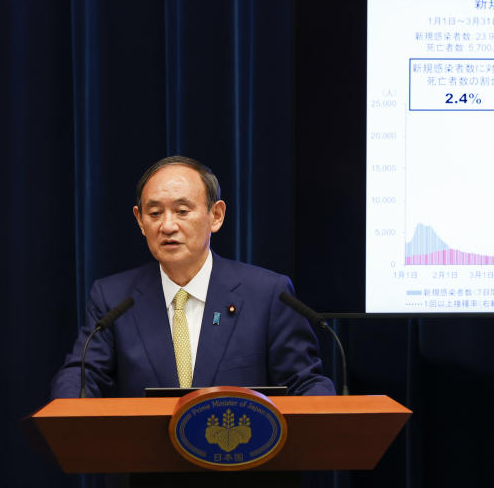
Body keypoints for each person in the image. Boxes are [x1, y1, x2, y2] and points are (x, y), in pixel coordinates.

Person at [50, 156, 335, 398]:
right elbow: (83, 375)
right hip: (151, 460)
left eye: (182, 211)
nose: (168, 225)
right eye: (155, 213)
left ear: (216, 215)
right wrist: (69, 404)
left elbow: (305, 383)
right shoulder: (113, 299)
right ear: (140, 221)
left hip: (240, 458)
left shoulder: (268, 293)